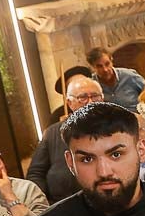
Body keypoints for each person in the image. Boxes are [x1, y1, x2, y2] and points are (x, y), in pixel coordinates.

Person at [28, 73, 103, 203]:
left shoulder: (115, 128)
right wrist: (42, 204)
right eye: (83, 97)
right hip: (59, 204)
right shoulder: (53, 133)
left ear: (103, 99)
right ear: (69, 103)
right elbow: (35, 173)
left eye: (95, 96)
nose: (90, 102)